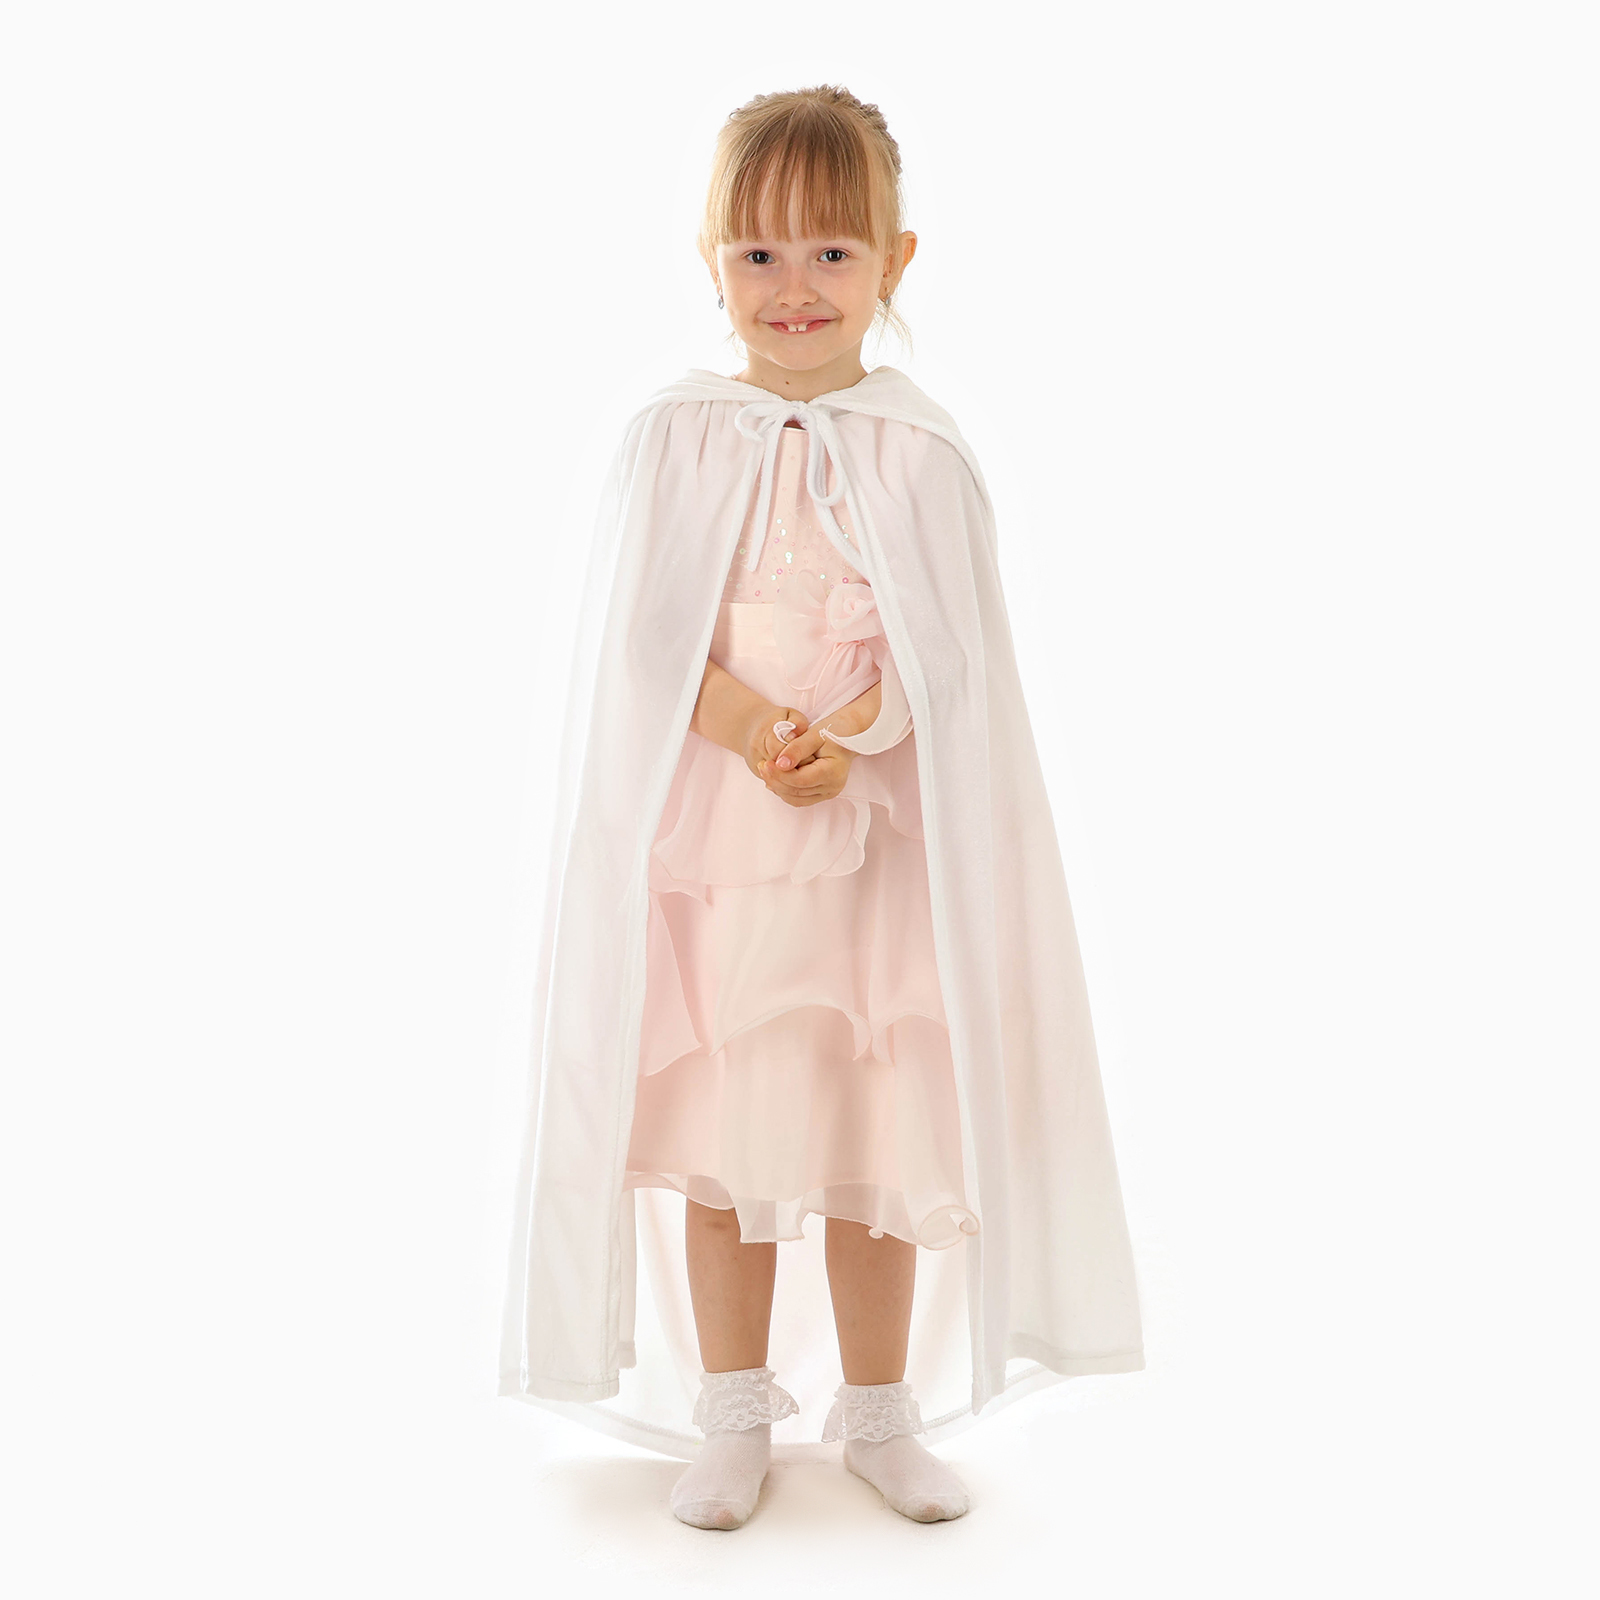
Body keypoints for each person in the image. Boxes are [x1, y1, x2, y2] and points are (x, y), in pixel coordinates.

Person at [500, 83, 1145, 1532]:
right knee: (728, 1128)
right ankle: (732, 1412)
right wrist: (753, 730)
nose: (795, 287)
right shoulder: (674, 438)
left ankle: (878, 1414)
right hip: (723, 858)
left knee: (872, 1132)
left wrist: (855, 737)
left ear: (896, 261)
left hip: (872, 868)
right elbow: (645, 648)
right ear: (710, 261)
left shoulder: (921, 448)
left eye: (833, 253)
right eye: (759, 254)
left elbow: (952, 658)